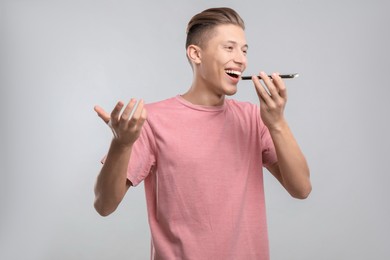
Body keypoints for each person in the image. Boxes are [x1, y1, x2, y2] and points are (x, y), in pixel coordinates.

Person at [93, 7, 311, 260]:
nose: (241, 59)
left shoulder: (254, 118)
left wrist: (277, 123)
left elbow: (301, 189)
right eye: (229, 48)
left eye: (244, 50)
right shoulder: (152, 121)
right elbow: (104, 205)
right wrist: (121, 145)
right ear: (196, 54)